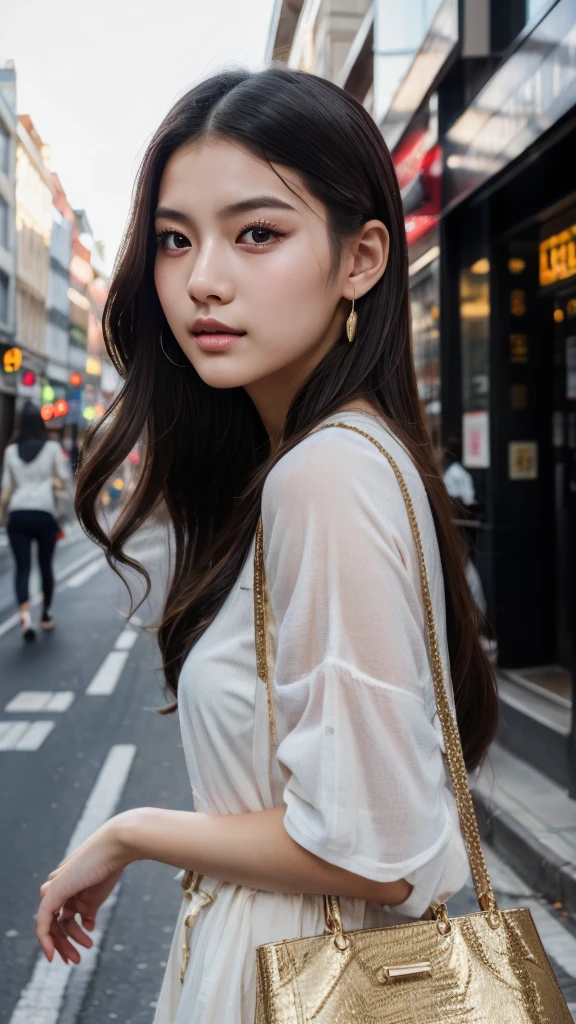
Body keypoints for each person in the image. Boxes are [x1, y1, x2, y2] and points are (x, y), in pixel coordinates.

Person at [35, 69, 498, 1023]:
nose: (202, 277)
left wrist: (127, 831)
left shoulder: (322, 473)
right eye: (174, 240)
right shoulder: (349, 454)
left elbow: (371, 853)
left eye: (257, 233)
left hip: (288, 974)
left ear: (363, 257)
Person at [0, 401, 70, 641]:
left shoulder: (10, 451)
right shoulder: (52, 449)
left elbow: (5, 488)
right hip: (44, 514)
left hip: (18, 515)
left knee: (22, 568)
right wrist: (62, 514)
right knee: (45, 566)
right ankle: (46, 614)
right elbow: (63, 483)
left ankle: (25, 617)